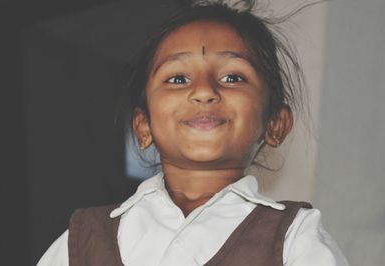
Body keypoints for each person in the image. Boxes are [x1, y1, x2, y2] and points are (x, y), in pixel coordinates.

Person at [38, 1, 349, 265]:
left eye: (232, 77)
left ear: (275, 124)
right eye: (176, 79)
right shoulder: (80, 242)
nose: (203, 91)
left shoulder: (296, 240)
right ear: (143, 126)